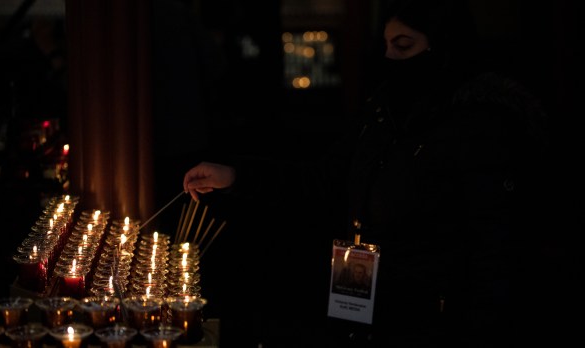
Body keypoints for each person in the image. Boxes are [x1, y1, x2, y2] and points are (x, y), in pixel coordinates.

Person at [182, 0, 553, 347]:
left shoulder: (479, 127)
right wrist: (234, 175)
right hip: (374, 305)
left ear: (443, 47)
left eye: (404, 45)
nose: (390, 56)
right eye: (387, 45)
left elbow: (495, 250)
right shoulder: (384, 113)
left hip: (434, 320)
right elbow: (324, 179)